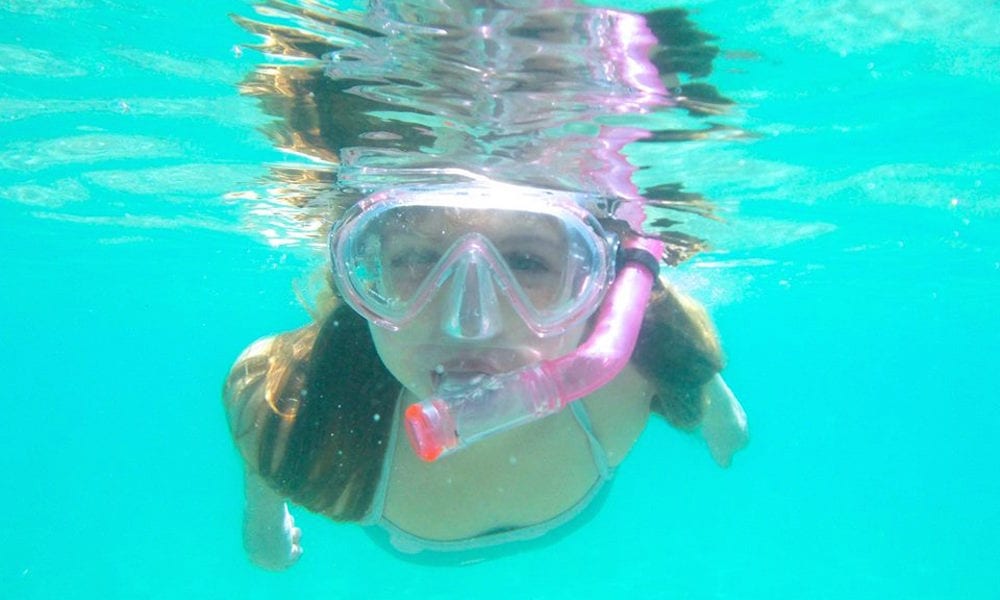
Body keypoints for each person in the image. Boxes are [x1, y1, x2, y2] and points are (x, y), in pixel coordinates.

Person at [223, 180, 748, 570]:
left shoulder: (640, 363)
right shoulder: (289, 402)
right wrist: (261, 519)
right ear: (364, 278)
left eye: (525, 262)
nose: (468, 323)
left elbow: (677, 344)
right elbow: (264, 438)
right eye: (417, 259)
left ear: (594, 290)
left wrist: (716, 404)